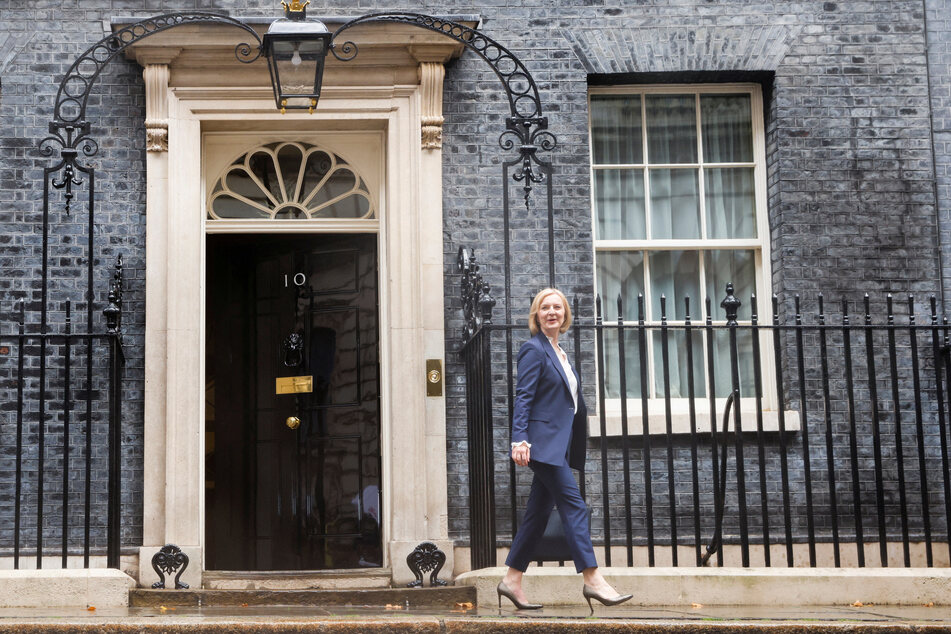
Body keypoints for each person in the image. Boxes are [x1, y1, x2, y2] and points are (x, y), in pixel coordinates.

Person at [497, 288, 633, 612]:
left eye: (557, 307)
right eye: (545, 307)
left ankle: (512, 580)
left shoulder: (561, 353)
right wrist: (519, 439)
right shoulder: (533, 350)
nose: (551, 312)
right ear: (537, 315)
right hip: (541, 446)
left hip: (557, 445)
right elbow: (523, 397)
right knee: (574, 505)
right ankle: (592, 578)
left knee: (538, 514)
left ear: (565, 314)